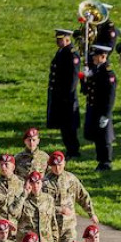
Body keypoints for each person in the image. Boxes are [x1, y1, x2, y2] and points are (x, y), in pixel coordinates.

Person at [81, 45, 117, 170]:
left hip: (102, 109)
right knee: (98, 136)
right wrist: (84, 78)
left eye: (96, 56)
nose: (93, 58)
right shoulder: (96, 70)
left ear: (103, 57)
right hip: (94, 108)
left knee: (104, 137)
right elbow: (87, 90)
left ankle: (106, 161)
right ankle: (101, 160)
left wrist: (106, 114)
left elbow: (110, 96)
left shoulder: (107, 73)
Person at [47, 29, 81, 157]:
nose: (57, 41)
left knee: (69, 126)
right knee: (64, 126)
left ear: (67, 39)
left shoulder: (71, 54)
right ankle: (70, 148)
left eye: (60, 39)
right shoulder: (62, 51)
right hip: (60, 96)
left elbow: (73, 78)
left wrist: (67, 96)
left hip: (67, 98)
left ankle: (73, 150)